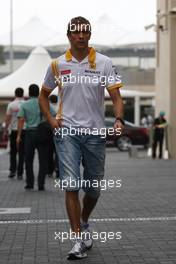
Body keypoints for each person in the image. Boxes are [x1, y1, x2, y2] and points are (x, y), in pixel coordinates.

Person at [39, 16, 124, 260]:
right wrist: (52, 121)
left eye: (85, 32)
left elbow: (116, 97)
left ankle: (84, 221)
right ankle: (77, 239)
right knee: (71, 184)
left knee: (93, 188)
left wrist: (118, 120)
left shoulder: (104, 62)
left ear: (89, 34)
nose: (81, 36)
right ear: (69, 35)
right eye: (76, 32)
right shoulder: (57, 64)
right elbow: (43, 96)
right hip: (67, 133)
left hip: (96, 134)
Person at [17, 84, 54, 191]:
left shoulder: (25, 105)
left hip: (30, 134)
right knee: (43, 160)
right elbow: (53, 115)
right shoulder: (45, 103)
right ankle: (41, 184)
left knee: (28, 159)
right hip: (43, 134)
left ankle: (30, 183)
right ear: (38, 92)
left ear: (29, 92)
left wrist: (19, 135)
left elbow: (21, 120)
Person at [3, 87, 25, 179]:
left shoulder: (11, 105)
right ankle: (20, 173)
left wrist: (5, 130)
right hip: (24, 130)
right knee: (22, 152)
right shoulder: (25, 104)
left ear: (15, 94)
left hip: (13, 130)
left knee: (13, 152)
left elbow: (8, 119)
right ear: (23, 94)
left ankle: (12, 171)